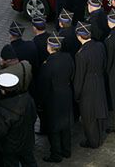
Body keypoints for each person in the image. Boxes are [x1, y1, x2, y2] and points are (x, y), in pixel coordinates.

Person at [38, 33, 75, 163]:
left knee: (53, 127)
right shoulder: (68, 57)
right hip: (66, 93)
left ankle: (56, 154)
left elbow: (44, 85)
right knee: (66, 125)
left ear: (50, 47)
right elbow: (72, 73)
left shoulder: (47, 64)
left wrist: (41, 102)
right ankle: (67, 150)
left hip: (53, 98)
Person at [0, 73, 38, 167]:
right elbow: (34, 117)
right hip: (27, 140)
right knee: (30, 162)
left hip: (10, 146)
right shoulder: (28, 98)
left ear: (3, 91)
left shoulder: (0, 109)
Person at [73, 22, 108, 149]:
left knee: (89, 116)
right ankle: (99, 134)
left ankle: (93, 141)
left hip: (87, 86)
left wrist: (77, 94)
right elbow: (104, 63)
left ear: (79, 36)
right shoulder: (100, 45)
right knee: (98, 110)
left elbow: (79, 77)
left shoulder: (80, 54)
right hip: (99, 80)